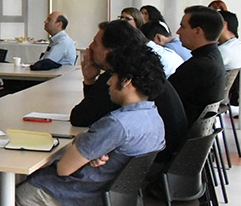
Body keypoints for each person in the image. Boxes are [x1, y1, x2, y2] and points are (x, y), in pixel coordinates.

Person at [18, 43, 166, 206]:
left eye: (112, 75)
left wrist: (82, 146)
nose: (108, 82)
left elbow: (64, 168)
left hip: (80, 199)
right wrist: (88, 153)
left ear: (127, 80)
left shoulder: (116, 124)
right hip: (117, 201)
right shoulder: (154, 118)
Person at [71, 20, 186, 167]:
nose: (90, 47)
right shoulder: (145, 71)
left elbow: (81, 118)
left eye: (95, 43)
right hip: (163, 160)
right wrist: (90, 80)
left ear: (110, 51)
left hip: (154, 165)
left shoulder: (121, 78)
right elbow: (95, 112)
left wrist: (89, 81)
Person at [169, 5, 227, 125]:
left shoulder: (199, 66)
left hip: (178, 134)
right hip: (196, 134)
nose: (178, 31)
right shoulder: (213, 57)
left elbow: (164, 98)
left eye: (183, 26)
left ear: (197, 31)